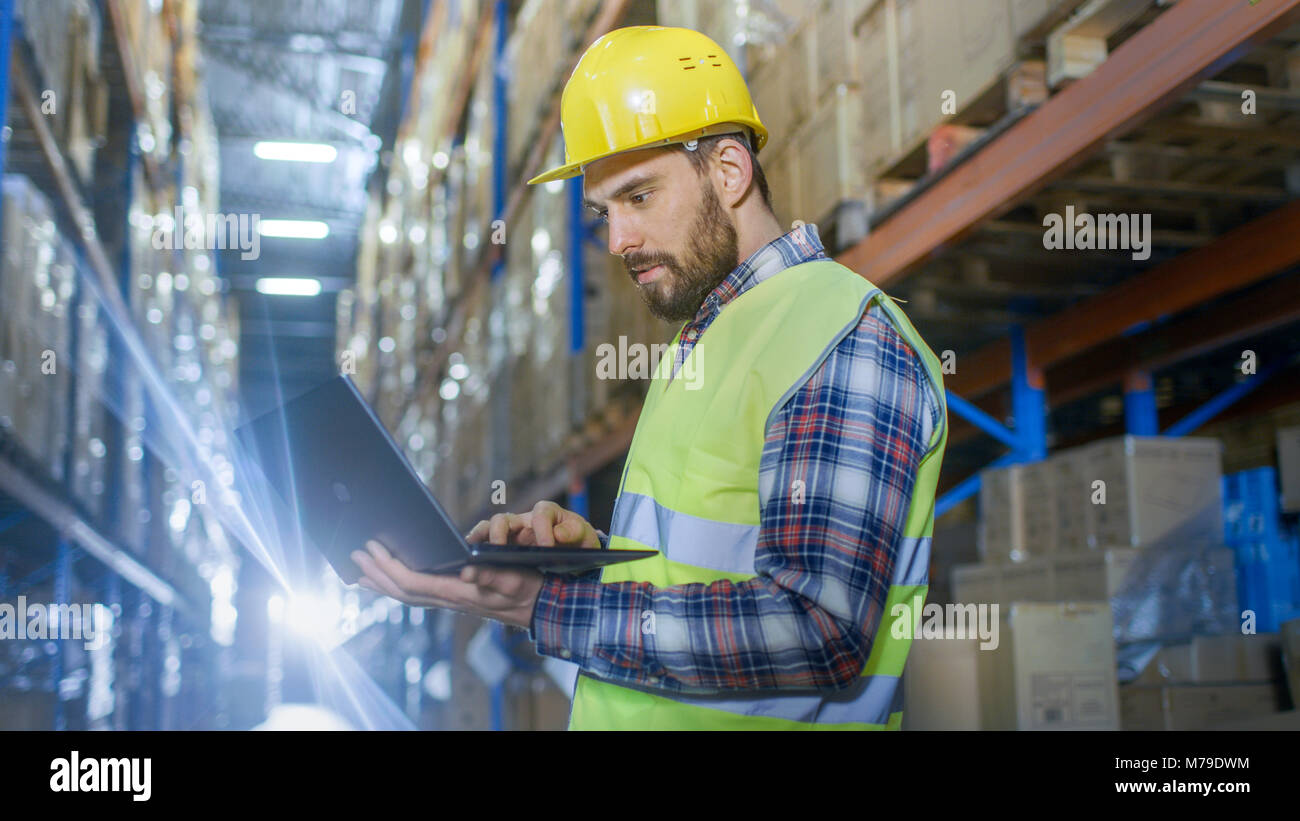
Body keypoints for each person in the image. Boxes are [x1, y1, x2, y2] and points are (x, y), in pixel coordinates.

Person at [351, 25, 948, 730]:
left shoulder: (843, 335)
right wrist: (589, 561)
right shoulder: (708, 341)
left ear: (730, 170)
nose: (618, 241)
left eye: (638, 197)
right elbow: (707, 572)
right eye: (605, 212)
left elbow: (817, 625)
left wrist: (538, 604)